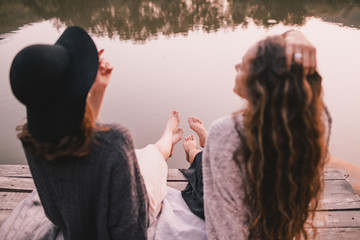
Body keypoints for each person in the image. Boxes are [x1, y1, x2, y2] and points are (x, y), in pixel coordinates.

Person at [3, 26, 185, 240]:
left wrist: (99, 87)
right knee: (152, 155)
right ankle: (168, 135)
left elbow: (81, 138)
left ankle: (164, 140)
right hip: (132, 207)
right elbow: (131, 229)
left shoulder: (32, 139)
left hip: (76, 218)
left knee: (135, 156)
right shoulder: (114, 140)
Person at [180, 30, 331, 240]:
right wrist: (298, 36)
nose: (236, 67)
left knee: (202, 172)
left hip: (224, 173)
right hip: (271, 224)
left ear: (261, 78)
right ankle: (204, 146)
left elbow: (225, 228)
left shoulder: (227, 131)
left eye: (243, 64)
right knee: (213, 156)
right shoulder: (306, 126)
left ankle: (195, 150)